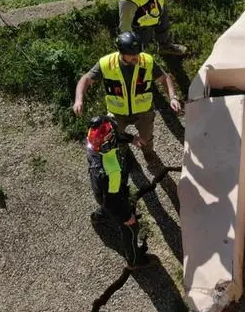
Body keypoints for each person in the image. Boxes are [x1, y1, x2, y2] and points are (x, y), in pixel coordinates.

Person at [73, 31, 182, 158]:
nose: (137, 57)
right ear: (121, 53)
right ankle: (122, 153)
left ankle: (148, 153)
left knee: (147, 138)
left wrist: (173, 97)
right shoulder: (106, 63)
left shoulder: (147, 61)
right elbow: (85, 79)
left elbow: (165, 78)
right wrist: (79, 100)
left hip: (143, 111)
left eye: (138, 53)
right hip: (117, 112)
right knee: (113, 136)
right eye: (132, 55)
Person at [85, 115, 156, 270]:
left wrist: (131, 139)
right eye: (111, 132)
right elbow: (112, 201)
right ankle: (134, 260)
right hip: (113, 193)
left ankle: (98, 217)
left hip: (100, 190)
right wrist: (126, 217)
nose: (114, 132)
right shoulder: (112, 171)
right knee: (130, 228)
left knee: (105, 203)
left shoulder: (93, 142)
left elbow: (115, 137)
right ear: (107, 141)